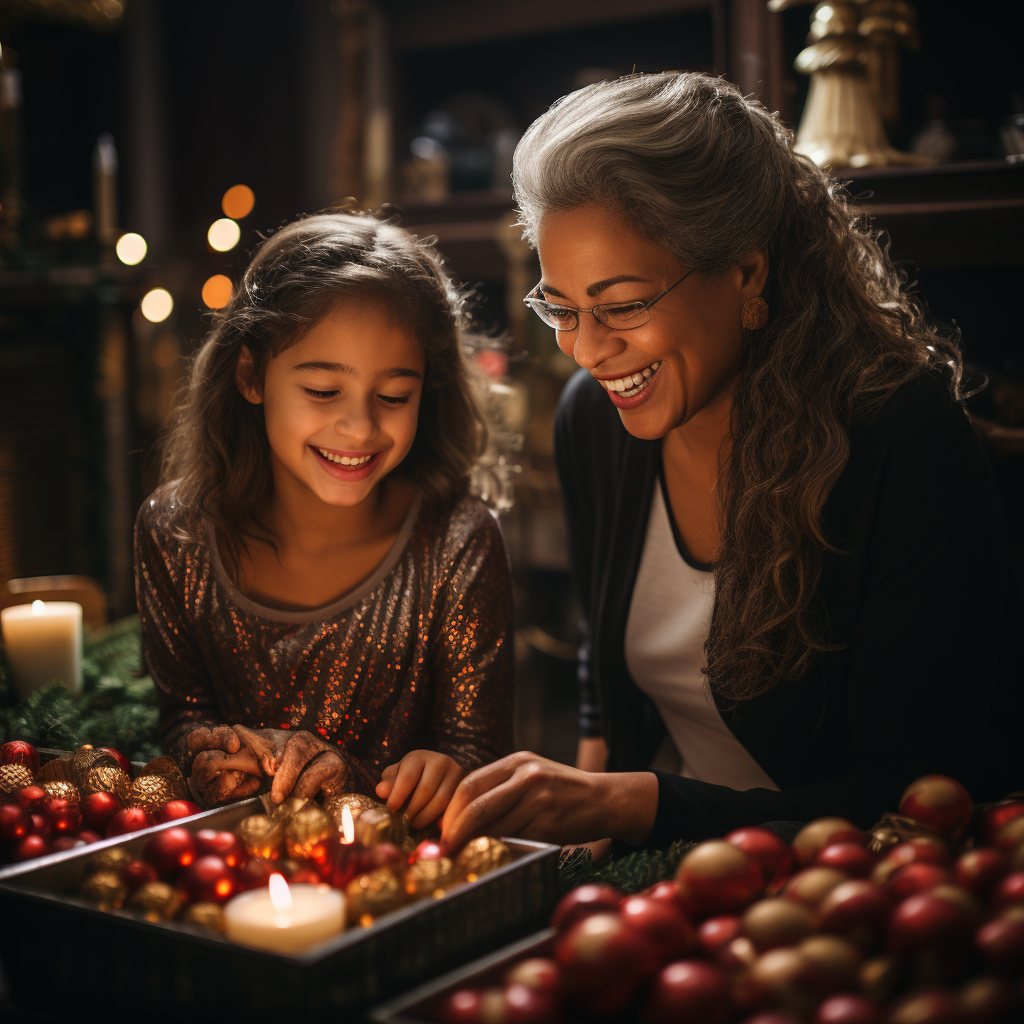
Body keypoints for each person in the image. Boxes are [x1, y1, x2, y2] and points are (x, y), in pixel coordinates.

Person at [439, 72, 1021, 853]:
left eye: (621, 305)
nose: (587, 350)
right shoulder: (595, 420)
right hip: (662, 865)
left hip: (853, 886)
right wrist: (575, 823)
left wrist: (640, 806)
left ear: (746, 271)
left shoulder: (901, 438)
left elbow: (917, 797)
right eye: (561, 308)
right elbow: (602, 669)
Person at [136, 211, 513, 829]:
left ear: (428, 389)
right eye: (322, 391)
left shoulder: (456, 542)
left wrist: (433, 773)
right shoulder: (176, 532)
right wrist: (215, 755)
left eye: (394, 397)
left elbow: (479, 760)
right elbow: (182, 716)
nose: (361, 428)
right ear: (251, 375)